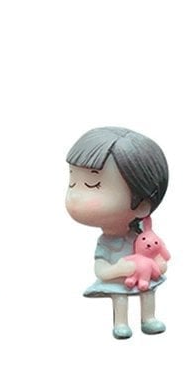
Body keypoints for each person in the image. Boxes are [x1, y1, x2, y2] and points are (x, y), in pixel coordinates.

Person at [65, 127, 169, 339]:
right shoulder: (107, 243)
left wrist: (158, 265)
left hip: (145, 279)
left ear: (142, 204)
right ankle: (121, 323)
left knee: (148, 293)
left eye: (93, 184)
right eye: (72, 182)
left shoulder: (144, 235)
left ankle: (148, 318)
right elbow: (101, 271)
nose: (74, 196)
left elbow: (160, 257)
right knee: (120, 297)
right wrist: (117, 270)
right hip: (121, 280)